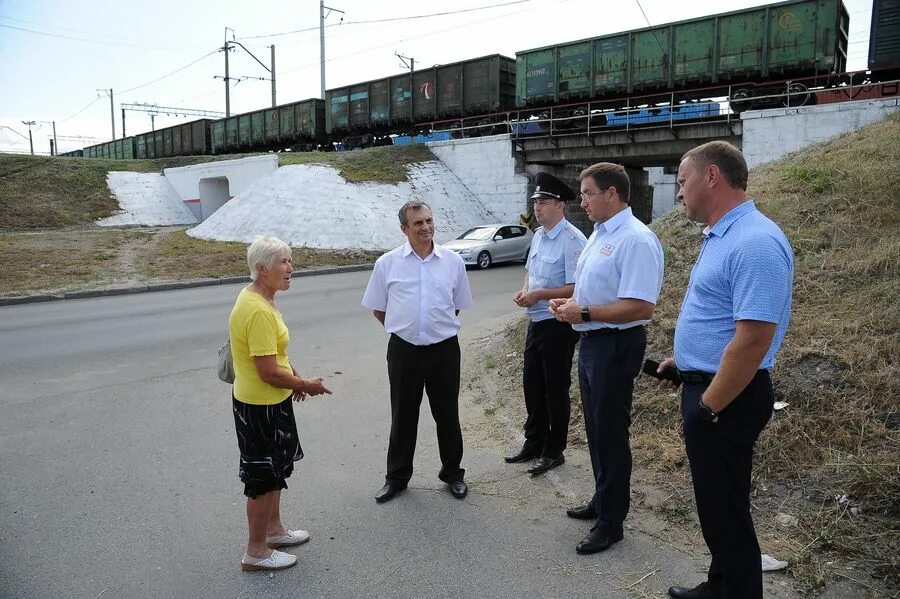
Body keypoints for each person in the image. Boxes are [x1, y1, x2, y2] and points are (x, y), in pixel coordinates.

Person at [659, 141, 793, 599]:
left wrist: (709, 405)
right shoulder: (724, 235)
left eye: (683, 181)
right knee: (717, 506)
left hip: (728, 398)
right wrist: (686, 365)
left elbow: (753, 339)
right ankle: (722, 586)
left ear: (712, 176)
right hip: (712, 388)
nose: (679, 192)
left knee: (727, 509)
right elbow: (721, 320)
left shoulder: (755, 241)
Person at [549, 163, 664, 555]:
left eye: (588, 194)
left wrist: (584, 312)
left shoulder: (636, 239)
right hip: (592, 342)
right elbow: (595, 290)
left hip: (616, 344)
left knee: (612, 433)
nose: (582, 202)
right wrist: (569, 305)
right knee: (597, 429)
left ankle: (611, 522)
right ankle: (602, 499)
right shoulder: (600, 233)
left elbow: (640, 306)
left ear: (611, 193)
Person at [229, 235, 331, 572]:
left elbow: (275, 354)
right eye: (283, 262)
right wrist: (305, 385)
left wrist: (294, 377)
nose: (291, 268)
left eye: (290, 261)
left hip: (269, 401)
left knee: (274, 471)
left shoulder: (261, 297)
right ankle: (256, 552)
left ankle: (273, 532)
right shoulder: (258, 309)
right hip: (260, 407)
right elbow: (268, 371)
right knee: (261, 479)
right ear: (262, 268)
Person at [362, 200, 474, 503]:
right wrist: (406, 329)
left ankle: (453, 474)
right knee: (403, 414)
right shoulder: (387, 263)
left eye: (429, 220)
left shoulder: (453, 262)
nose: (426, 227)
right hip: (404, 351)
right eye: (418, 223)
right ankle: (397, 478)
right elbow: (378, 309)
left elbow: (457, 305)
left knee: (447, 414)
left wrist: (433, 329)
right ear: (404, 229)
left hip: (444, 350)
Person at [506, 172, 587, 476]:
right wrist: (526, 290)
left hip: (558, 323)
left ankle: (554, 450)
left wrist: (539, 294)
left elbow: (577, 288)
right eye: (536, 201)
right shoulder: (539, 235)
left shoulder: (573, 240)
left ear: (560, 205)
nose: (537, 207)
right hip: (536, 322)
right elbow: (532, 271)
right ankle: (534, 442)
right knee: (532, 385)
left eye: (543, 201)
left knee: (555, 389)